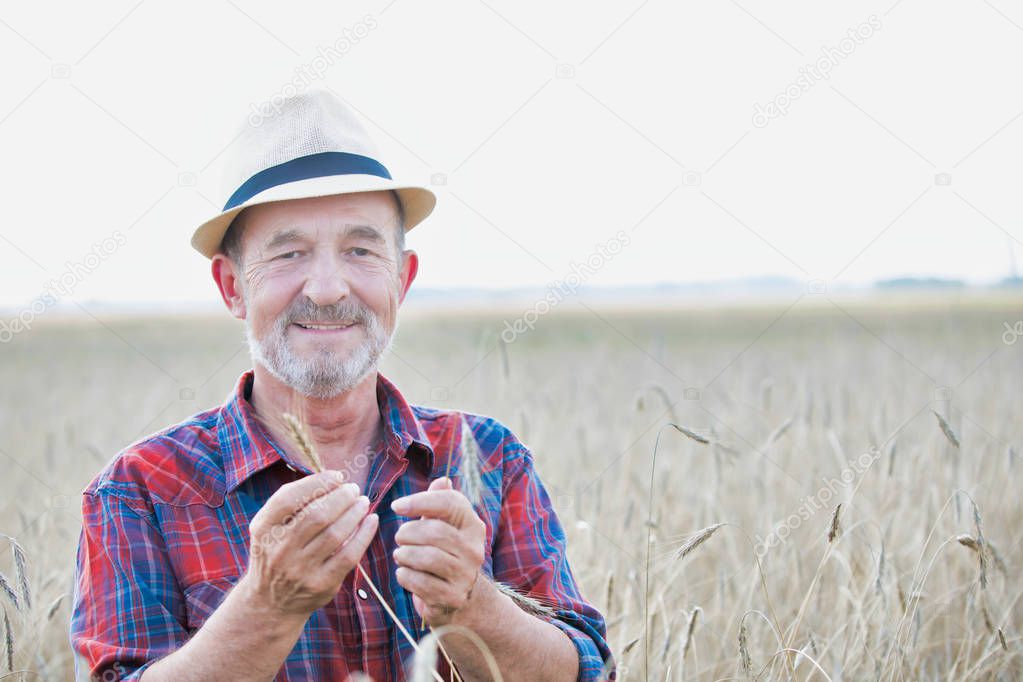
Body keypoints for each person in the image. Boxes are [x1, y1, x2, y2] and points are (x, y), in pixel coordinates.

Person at [70, 88, 614, 681]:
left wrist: (473, 606)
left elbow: (585, 671)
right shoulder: (139, 491)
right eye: (289, 254)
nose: (327, 288)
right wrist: (265, 606)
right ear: (232, 288)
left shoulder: (488, 457)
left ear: (401, 279)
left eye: (360, 250)